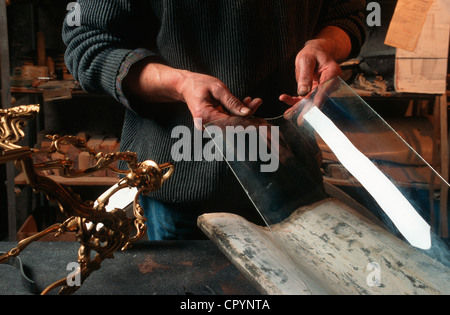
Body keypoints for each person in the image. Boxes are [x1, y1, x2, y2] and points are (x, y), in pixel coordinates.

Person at [63, 0, 366, 240]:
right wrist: (180, 84)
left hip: (290, 178)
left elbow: (347, 15)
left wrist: (324, 46)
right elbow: (87, 42)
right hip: (181, 186)